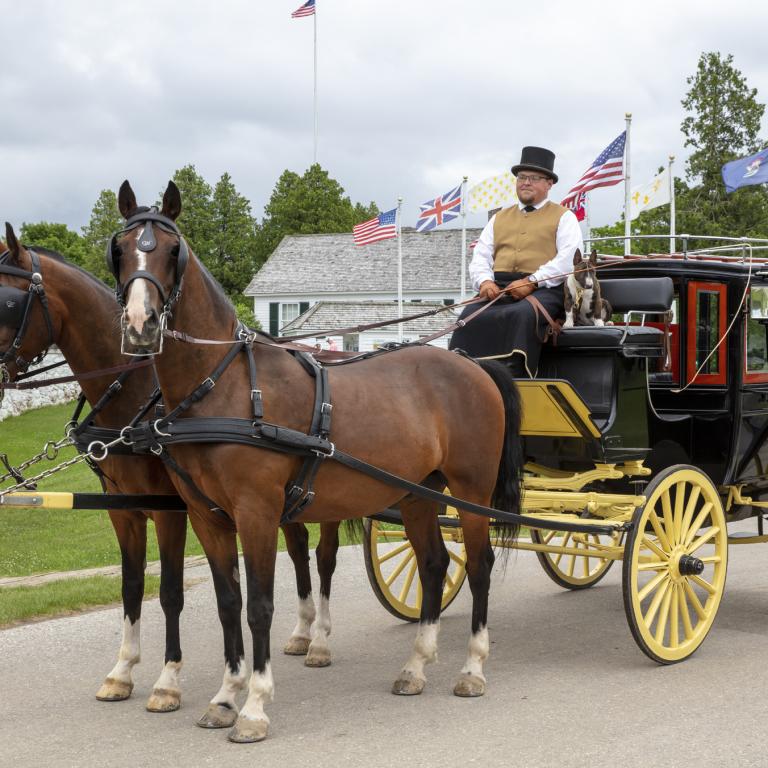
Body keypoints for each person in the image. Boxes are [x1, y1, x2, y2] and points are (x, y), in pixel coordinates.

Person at [449, 146, 583, 377]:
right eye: (521, 177)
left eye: (534, 178)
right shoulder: (499, 218)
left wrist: (532, 281)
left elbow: (568, 260)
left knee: (522, 315)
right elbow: (481, 255)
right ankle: (463, 375)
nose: (525, 182)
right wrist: (484, 282)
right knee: (468, 316)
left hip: (545, 289)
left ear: (549, 183)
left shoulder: (564, 217)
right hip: (498, 288)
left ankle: (514, 375)